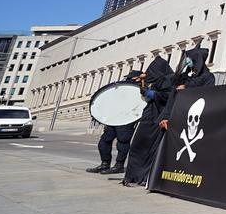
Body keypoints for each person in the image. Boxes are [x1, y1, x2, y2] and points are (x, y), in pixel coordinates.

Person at [122, 57, 174, 187]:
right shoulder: (157, 80)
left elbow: (168, 97)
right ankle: (132, 175)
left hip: (159, 116)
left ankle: (145, 176)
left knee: (152, 149)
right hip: (149, 115)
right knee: (138, 146)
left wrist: (153, 94)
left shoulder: (169, 80)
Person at [85, 70, 142, 175]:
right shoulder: (123, 88)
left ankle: (119, 165)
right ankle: (105, 164)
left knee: (122, 141)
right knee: (104, 141)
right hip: (114, 118)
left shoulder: (139, 89)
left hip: (127, 119)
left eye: (131, 78)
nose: (128, 80)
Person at [158, 47, 215, 131]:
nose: (187, 60)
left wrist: (187, 88)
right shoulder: (185, 76)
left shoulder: (208, 77)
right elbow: (173, 91)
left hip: (190, 118)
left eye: (190, 58)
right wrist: (166, 116)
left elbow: (206, 96)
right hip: (174, 115)